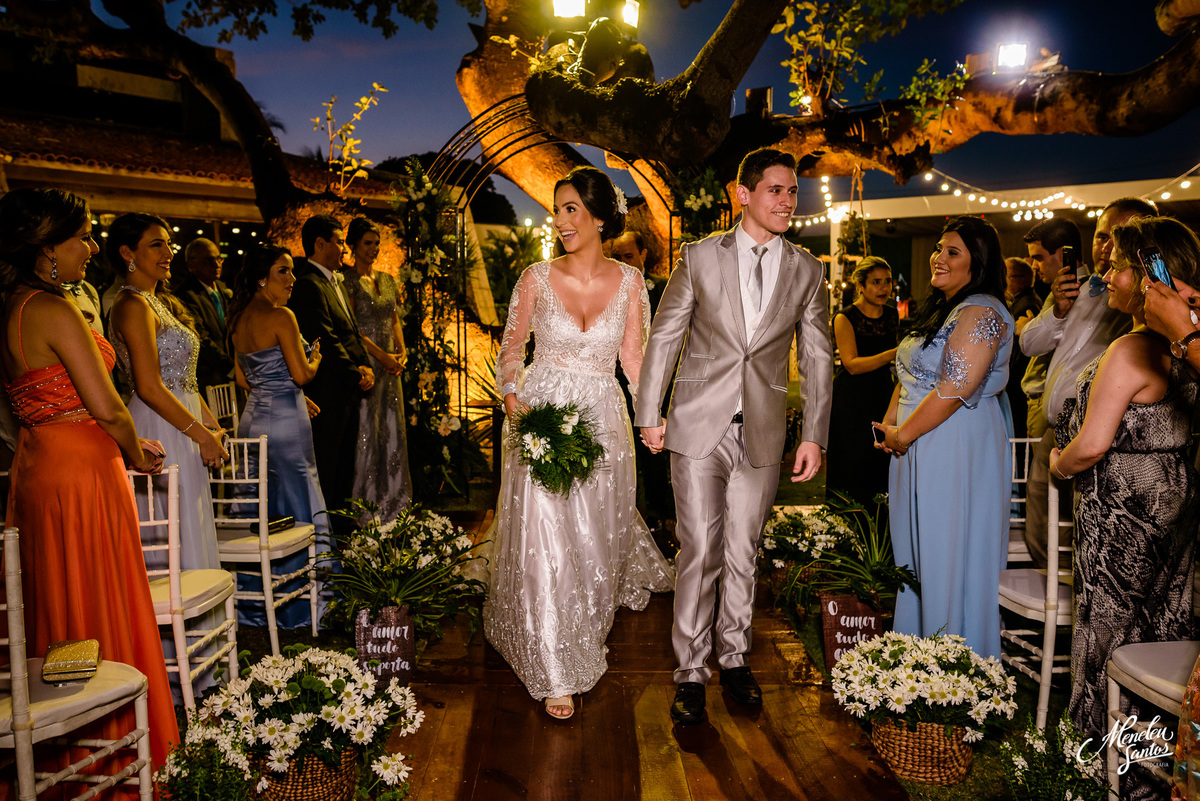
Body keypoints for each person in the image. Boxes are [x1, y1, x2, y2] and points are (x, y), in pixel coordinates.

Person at [636, 148, 834, 725]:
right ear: (743, 194)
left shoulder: (808, 270)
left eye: (793, 192)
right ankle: (690, 673)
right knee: (699, 550)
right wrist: (650, 412)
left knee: (744, 552)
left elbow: (818, 358)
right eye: (776, 190)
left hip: (764, 433)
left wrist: (814, 434)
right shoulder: (700, 256)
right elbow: (665, 335)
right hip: (699, 426)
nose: (788, 202)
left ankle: (735, 657)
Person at [0, 188, 178, 772]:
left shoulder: (11, 307)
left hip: (40, 466)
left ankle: (69, 760)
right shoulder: (53, 310)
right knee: (98, 599)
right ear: (48, 246)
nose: (93, 247)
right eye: (83, 237)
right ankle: (116, 755)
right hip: (82, 473)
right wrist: (135, 449)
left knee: (59, 599)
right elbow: (106, 407)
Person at [488, 166, 674, 721]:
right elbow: (511, 350)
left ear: (598, 216)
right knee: (544, 534)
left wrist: (651, 418)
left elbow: (634, 360)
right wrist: (512, 397)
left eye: (571, 209)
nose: (560, 220)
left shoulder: (632, 283)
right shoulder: (535, 278)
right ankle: (554, 665)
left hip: (603, 418)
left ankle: (584, 629)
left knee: (592, 538)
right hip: (540, 416)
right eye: (558, 209)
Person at [1049, 217, 1199, 768]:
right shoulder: (1186, 347)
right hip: (1173, 504)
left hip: (1121, 517)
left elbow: (1092, 445)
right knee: (1162, 627)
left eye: (1116, 267)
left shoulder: (1131, 349)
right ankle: (1153, 763)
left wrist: (1058, 465)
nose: (1107, 277)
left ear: (1149, 278)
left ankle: (1100, 765)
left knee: (1108, 637)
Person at [873, 215, 1014, 660]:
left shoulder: (982, 311)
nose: (939, 257)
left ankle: (952, 660)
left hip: (953, 444)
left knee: (945, 550)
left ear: (978, 263)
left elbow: (954, 389)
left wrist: (903, 435)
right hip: (918, 439)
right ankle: (916, 656)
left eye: (953, 252)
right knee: (917, 554)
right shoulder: (945, 309)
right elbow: (911, 374)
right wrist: (890, 426)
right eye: (938, 248)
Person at [1020, 202, 1152, 569]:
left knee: (1097, 536)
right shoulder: (1072, 285)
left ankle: (1079, 594)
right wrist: (1057, 311)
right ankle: (1057, 592)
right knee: (1040, 525)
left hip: (1109, 435)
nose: (1107, 247)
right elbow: (1029, 344)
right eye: (1101, 236)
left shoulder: (1147, 300)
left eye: (1119, 238)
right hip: (1054, 429)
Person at [108, 214, 227, 570]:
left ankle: (199, 596)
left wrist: (211, 424)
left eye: (169, 244)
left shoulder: (157, 302)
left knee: (191, 518)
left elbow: (183, 377)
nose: (168, 253)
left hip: (182, 421)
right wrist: (200, 433)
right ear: (128, 253)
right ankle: (176, 601)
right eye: (156, 245)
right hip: (160, 424)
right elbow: (149, 386)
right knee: (174, 523)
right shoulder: (131, 305)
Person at [228, 244, 329, 629]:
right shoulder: (282, 316)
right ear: (261, 277)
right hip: (286, 424)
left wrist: (287, 390)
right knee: (298, 499)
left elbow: (243, 380)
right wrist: (314, 359)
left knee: (260, 505)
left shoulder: (239, 319)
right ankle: (305, 602)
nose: (291, 279)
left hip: (253, 420)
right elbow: (301, 374)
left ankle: (256, 601)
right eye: (283, 271)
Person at [287, 215, 373, 517]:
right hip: (328, 392)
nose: (344, 249)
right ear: (320, 244)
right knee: (328, 465)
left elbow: (351, 330)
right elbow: (324, 338)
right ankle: (326, 529)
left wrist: (365, 364)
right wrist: (355, 374)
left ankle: (342, 527)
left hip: (346, 389)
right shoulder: (308, 284)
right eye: (339, 242)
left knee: (345, 466)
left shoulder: (333, 280)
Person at [344, 217, 412, 518]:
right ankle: (366, 503)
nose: (373, 249)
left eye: (376, 244)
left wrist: (401, 351)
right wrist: (382, 356)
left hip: (391, 366)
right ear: (353, 245)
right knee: (368, 428)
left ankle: (395, 501)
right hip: (368, 364)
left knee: (392, 427)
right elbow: (352, 329)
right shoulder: (346, 281)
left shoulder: (387, 279)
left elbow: (394, 319)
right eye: (367, 243)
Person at [609, 228, 673, 530]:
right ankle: (626, 516)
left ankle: (660, 517)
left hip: (657, 384)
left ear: (643, 254)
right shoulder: (606, 286)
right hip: (617, 384)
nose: (623, 262)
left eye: (628, 256)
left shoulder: (662, 287)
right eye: (617, 256)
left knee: (655, 454)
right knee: (622, 453)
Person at [826, 256, 897, 503]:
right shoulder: (844, 318)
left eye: (888, 281)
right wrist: (893, 353)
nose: (884, 288)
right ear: (860, 285)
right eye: (876, 282)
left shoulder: (892, 315)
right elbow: (852, 365)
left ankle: (879, 521)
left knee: (880, 459)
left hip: (882, 394)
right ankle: (844, 520)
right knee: (851, 462)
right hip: (851, 399)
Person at [177, 237, 235, 399]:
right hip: (208, 379)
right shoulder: (186, 295)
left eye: (219, 258)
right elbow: (200, 338)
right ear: (191, 263)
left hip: (231, 376)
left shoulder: (222, 288)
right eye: (209, 260)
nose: (217, 265)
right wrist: (232, 368)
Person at [1005, 257, 1041, 438]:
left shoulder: (1027, 306)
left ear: (1023, 279)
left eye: (1006, 275)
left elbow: (1019, 353)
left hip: (1017, 386)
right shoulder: (1022, 301)